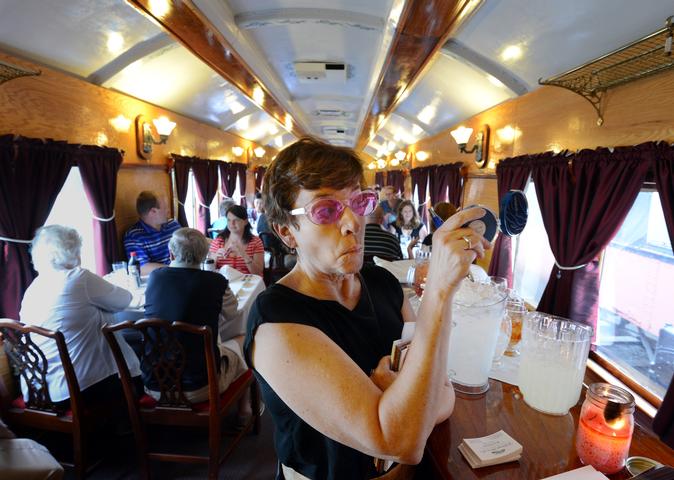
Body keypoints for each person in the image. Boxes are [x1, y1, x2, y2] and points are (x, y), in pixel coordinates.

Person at [244, 138, 490, 479]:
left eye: (359, 202)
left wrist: (404, 409)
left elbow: (443, 390)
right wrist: (438, 290)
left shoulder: (383, 284)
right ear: (287, 232)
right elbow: (398, 440)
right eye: (326, 210)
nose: (353, 222)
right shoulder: (277, 321)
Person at [20, 225, 141, 409]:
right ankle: (127, 419)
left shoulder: (33, 289)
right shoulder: (79, 277)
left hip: (39, 389)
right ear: (74, 252)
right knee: (133, 373)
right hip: (76, 391)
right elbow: (124, 300)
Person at [143, 228, 245, 402]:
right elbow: (232, 314)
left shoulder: (155, 277)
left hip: (154, 385)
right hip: (201, 386)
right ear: (204, 256)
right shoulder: (216, 281)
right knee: (242, 339)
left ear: (171, 254)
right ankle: (245, 408)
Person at [123, 191, 181, 275]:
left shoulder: (173, 225)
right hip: (161, 277)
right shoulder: (134, 236)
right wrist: (176, 269)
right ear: (153, 211)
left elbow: (188, 246)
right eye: (165, 208)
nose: (168, 211)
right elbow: (142, 268)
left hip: (182, 272)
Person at [209, 204, 264, 275]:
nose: (232, 224)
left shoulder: (255, 242)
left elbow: (258, 273)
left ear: (245, 222)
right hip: (223, 280)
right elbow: (209, 271)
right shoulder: (218, 241)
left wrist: (244, 255)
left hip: (247, 281)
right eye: (229, 220)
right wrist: (215, 257)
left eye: (236, 220)